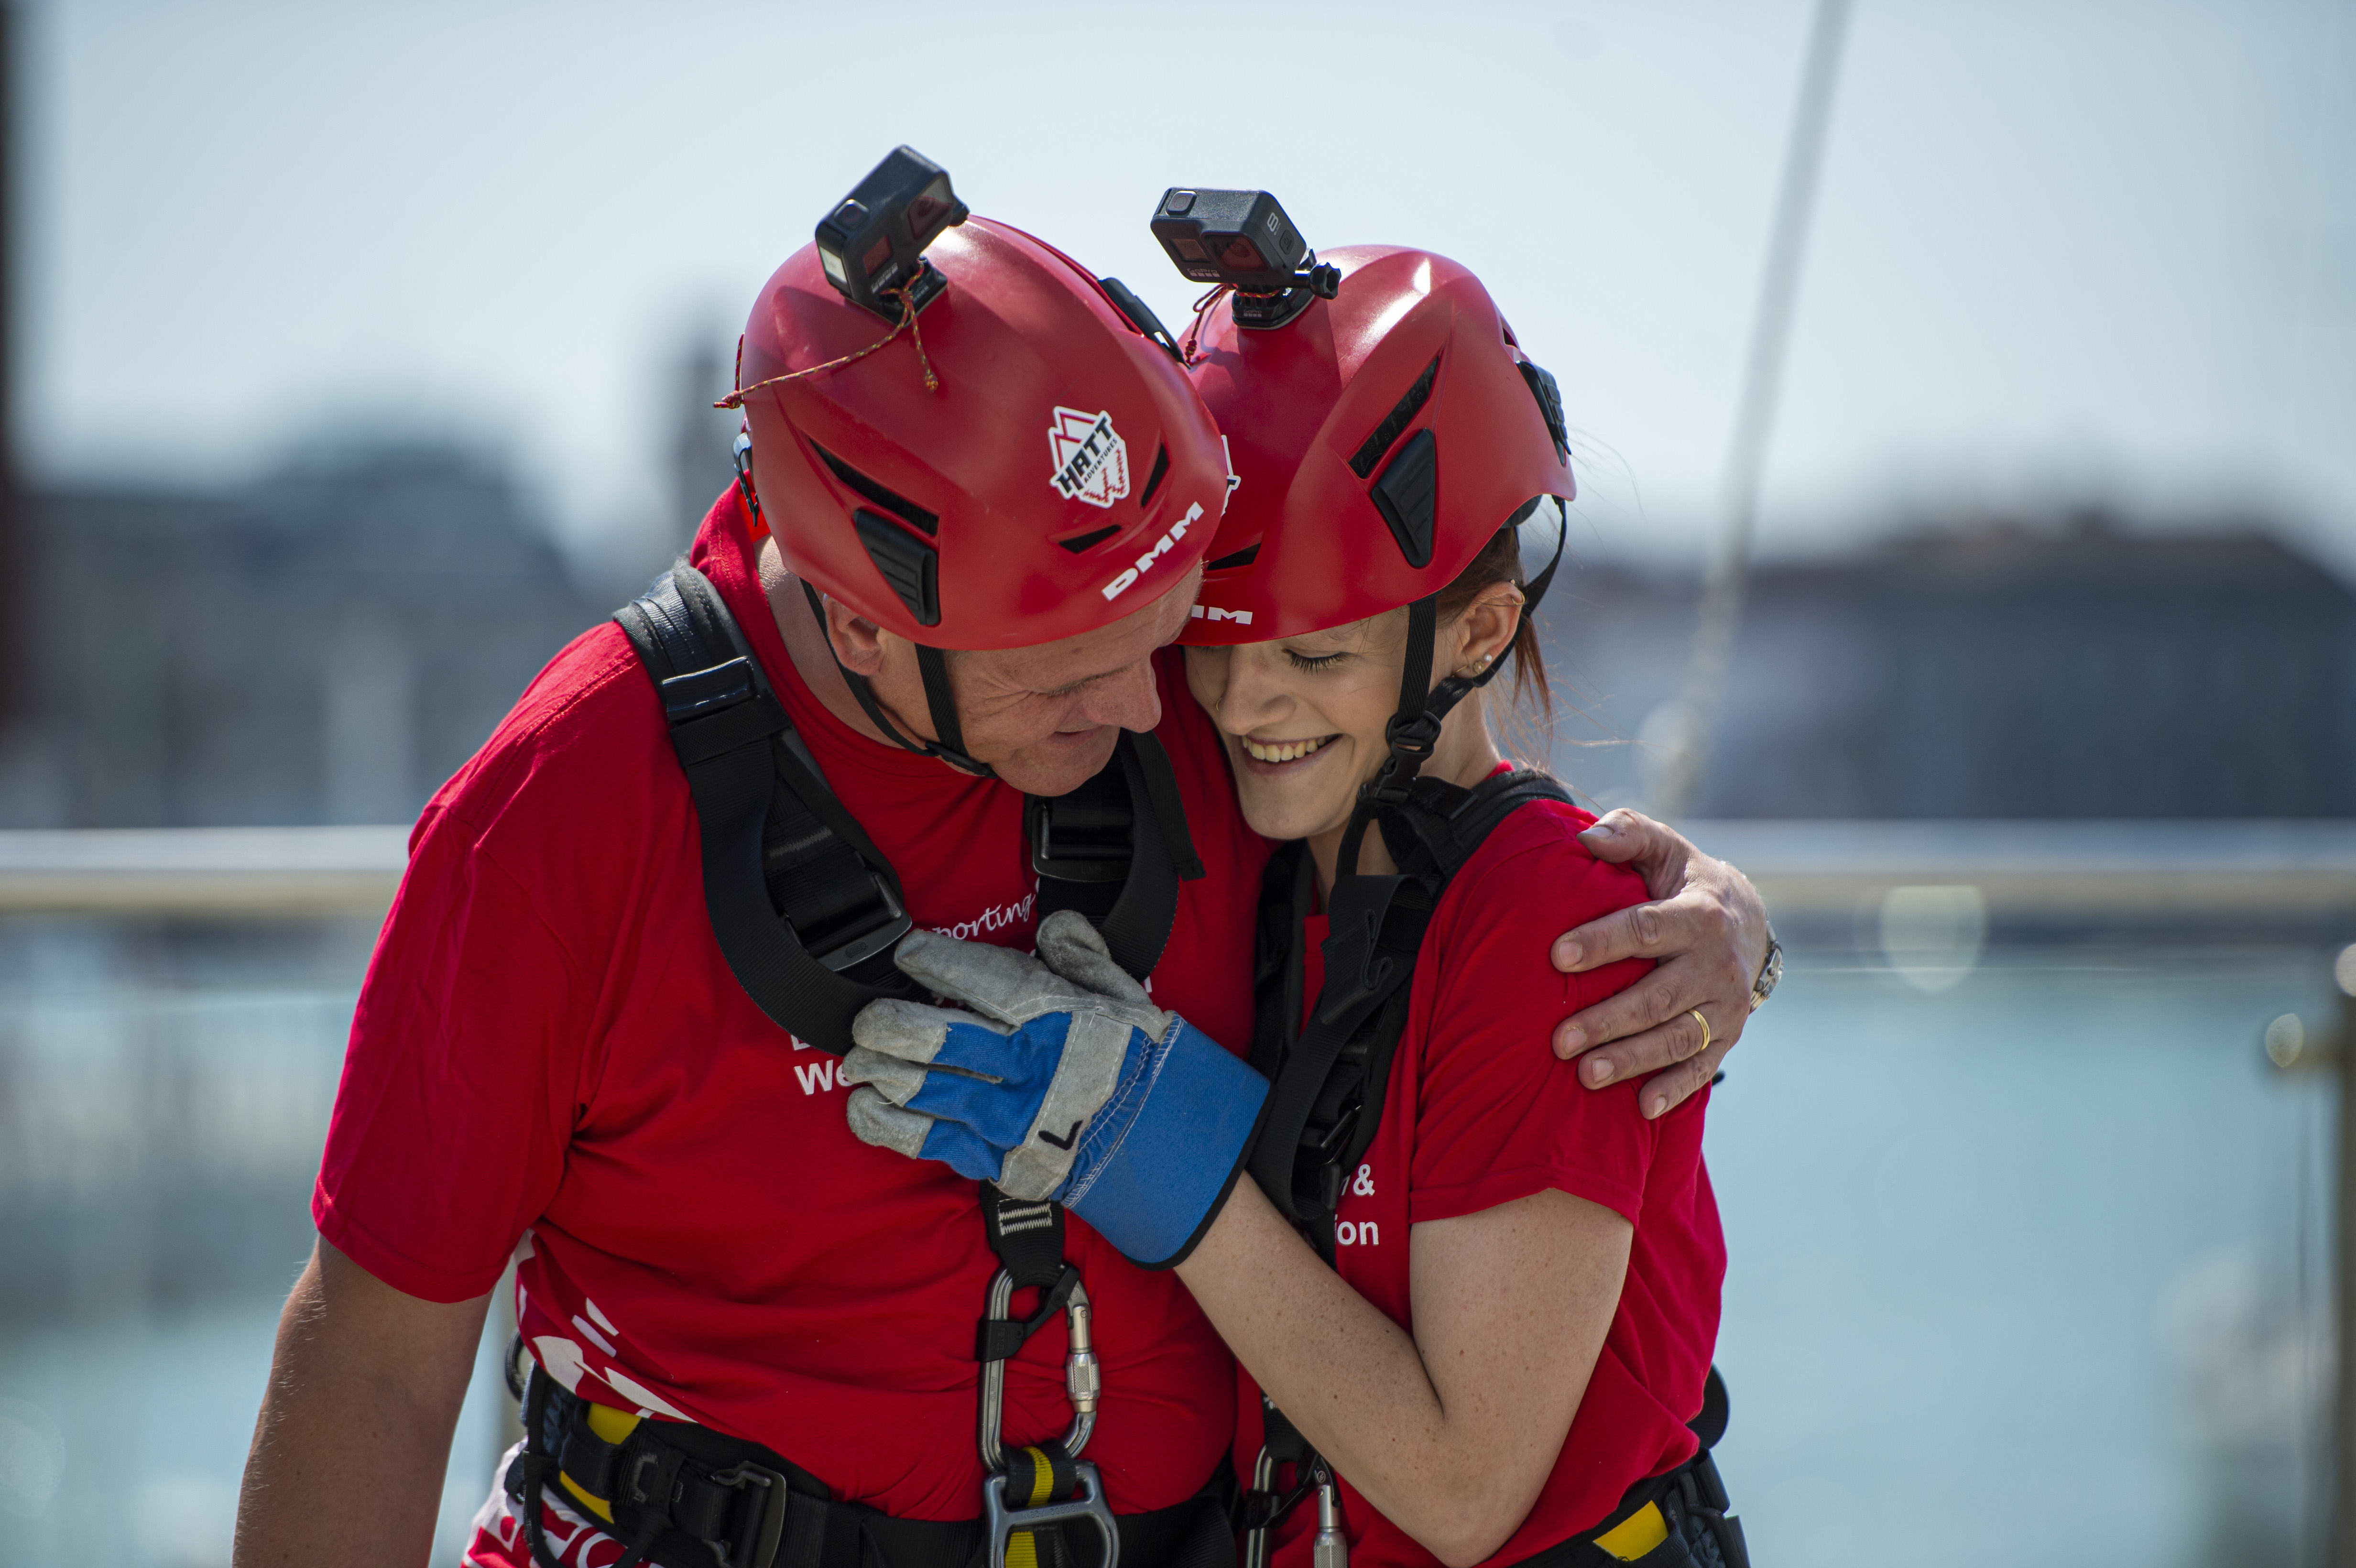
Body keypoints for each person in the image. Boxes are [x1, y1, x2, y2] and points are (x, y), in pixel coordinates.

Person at [230, 156, 1767, 1568]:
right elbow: (373, 1358)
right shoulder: (561, 812)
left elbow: (1421, 737)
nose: (1154, 713)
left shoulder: (1169, 653)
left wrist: (1717, 928)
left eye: (1163, 644)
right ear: (859, 620)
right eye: (1066, 674)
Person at [841, 247, 1740, 1568]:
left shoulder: (1557, 928)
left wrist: (1151, 1155)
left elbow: (1461, 1487)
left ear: (1483, 633)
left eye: (1317, 654)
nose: (1248, 707)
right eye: (1215, 639)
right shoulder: (1285, 836)